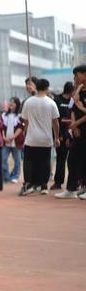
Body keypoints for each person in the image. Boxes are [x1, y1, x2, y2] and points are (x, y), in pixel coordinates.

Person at [19, 79, 60, 196]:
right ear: (47, 88)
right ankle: (44, 186)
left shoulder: (28, 102)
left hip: (31, 139)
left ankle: (29, 184)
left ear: (36, 87)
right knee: (45, 162)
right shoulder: (51, 103)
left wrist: (24, 133)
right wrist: (56, 137)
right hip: (46, 139)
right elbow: (55, 122)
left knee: (28, 161)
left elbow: (25, 121)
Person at [55, 66, 86, 200]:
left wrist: (77, 123)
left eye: (77, 75)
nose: (75, 78)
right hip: (78, 131)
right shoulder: (78, 91)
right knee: (72, 159)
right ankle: (71, 189)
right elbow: (73, 109)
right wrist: (74, 126)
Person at [51, 82, 74, 190]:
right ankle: (58, 182)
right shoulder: (57, 100)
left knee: (74, 159)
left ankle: (77, 182)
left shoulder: (74, 100)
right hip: (62, 134)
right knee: (61, 159)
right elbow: (56, 119)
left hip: (73, 133)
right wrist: (58, 135)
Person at [1, 97, 24, 184]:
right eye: (10, 102)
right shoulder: (4, 115)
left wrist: (13, 137)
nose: (11, 104)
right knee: (3, 159)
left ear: (17, 105)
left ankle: (15, 176)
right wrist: (4, 137)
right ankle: (6, 176)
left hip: (16, 141)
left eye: (13, 102)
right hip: (6, 142)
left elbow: (21, 127)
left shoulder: (20, 116)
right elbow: (1, 127)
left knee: (17, 160)